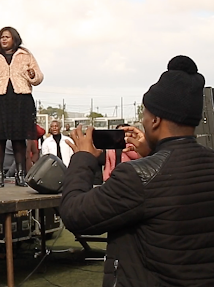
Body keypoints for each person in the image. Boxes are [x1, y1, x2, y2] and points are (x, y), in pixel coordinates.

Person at [60, 56, 214, 287]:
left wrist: (82, 158)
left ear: (155, 120)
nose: (142, 121)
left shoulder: (137, 176)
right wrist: (153, 155)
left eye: (144, 114)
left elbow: (75, 214)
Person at [0, 27, 43, 187]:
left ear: (14, 39)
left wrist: (32, 75)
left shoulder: (25, 54)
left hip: (20, 100)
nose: (4, 40)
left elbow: (38, 77)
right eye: (2, 37)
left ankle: (20, 175)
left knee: (19, 139)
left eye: (7, 37)